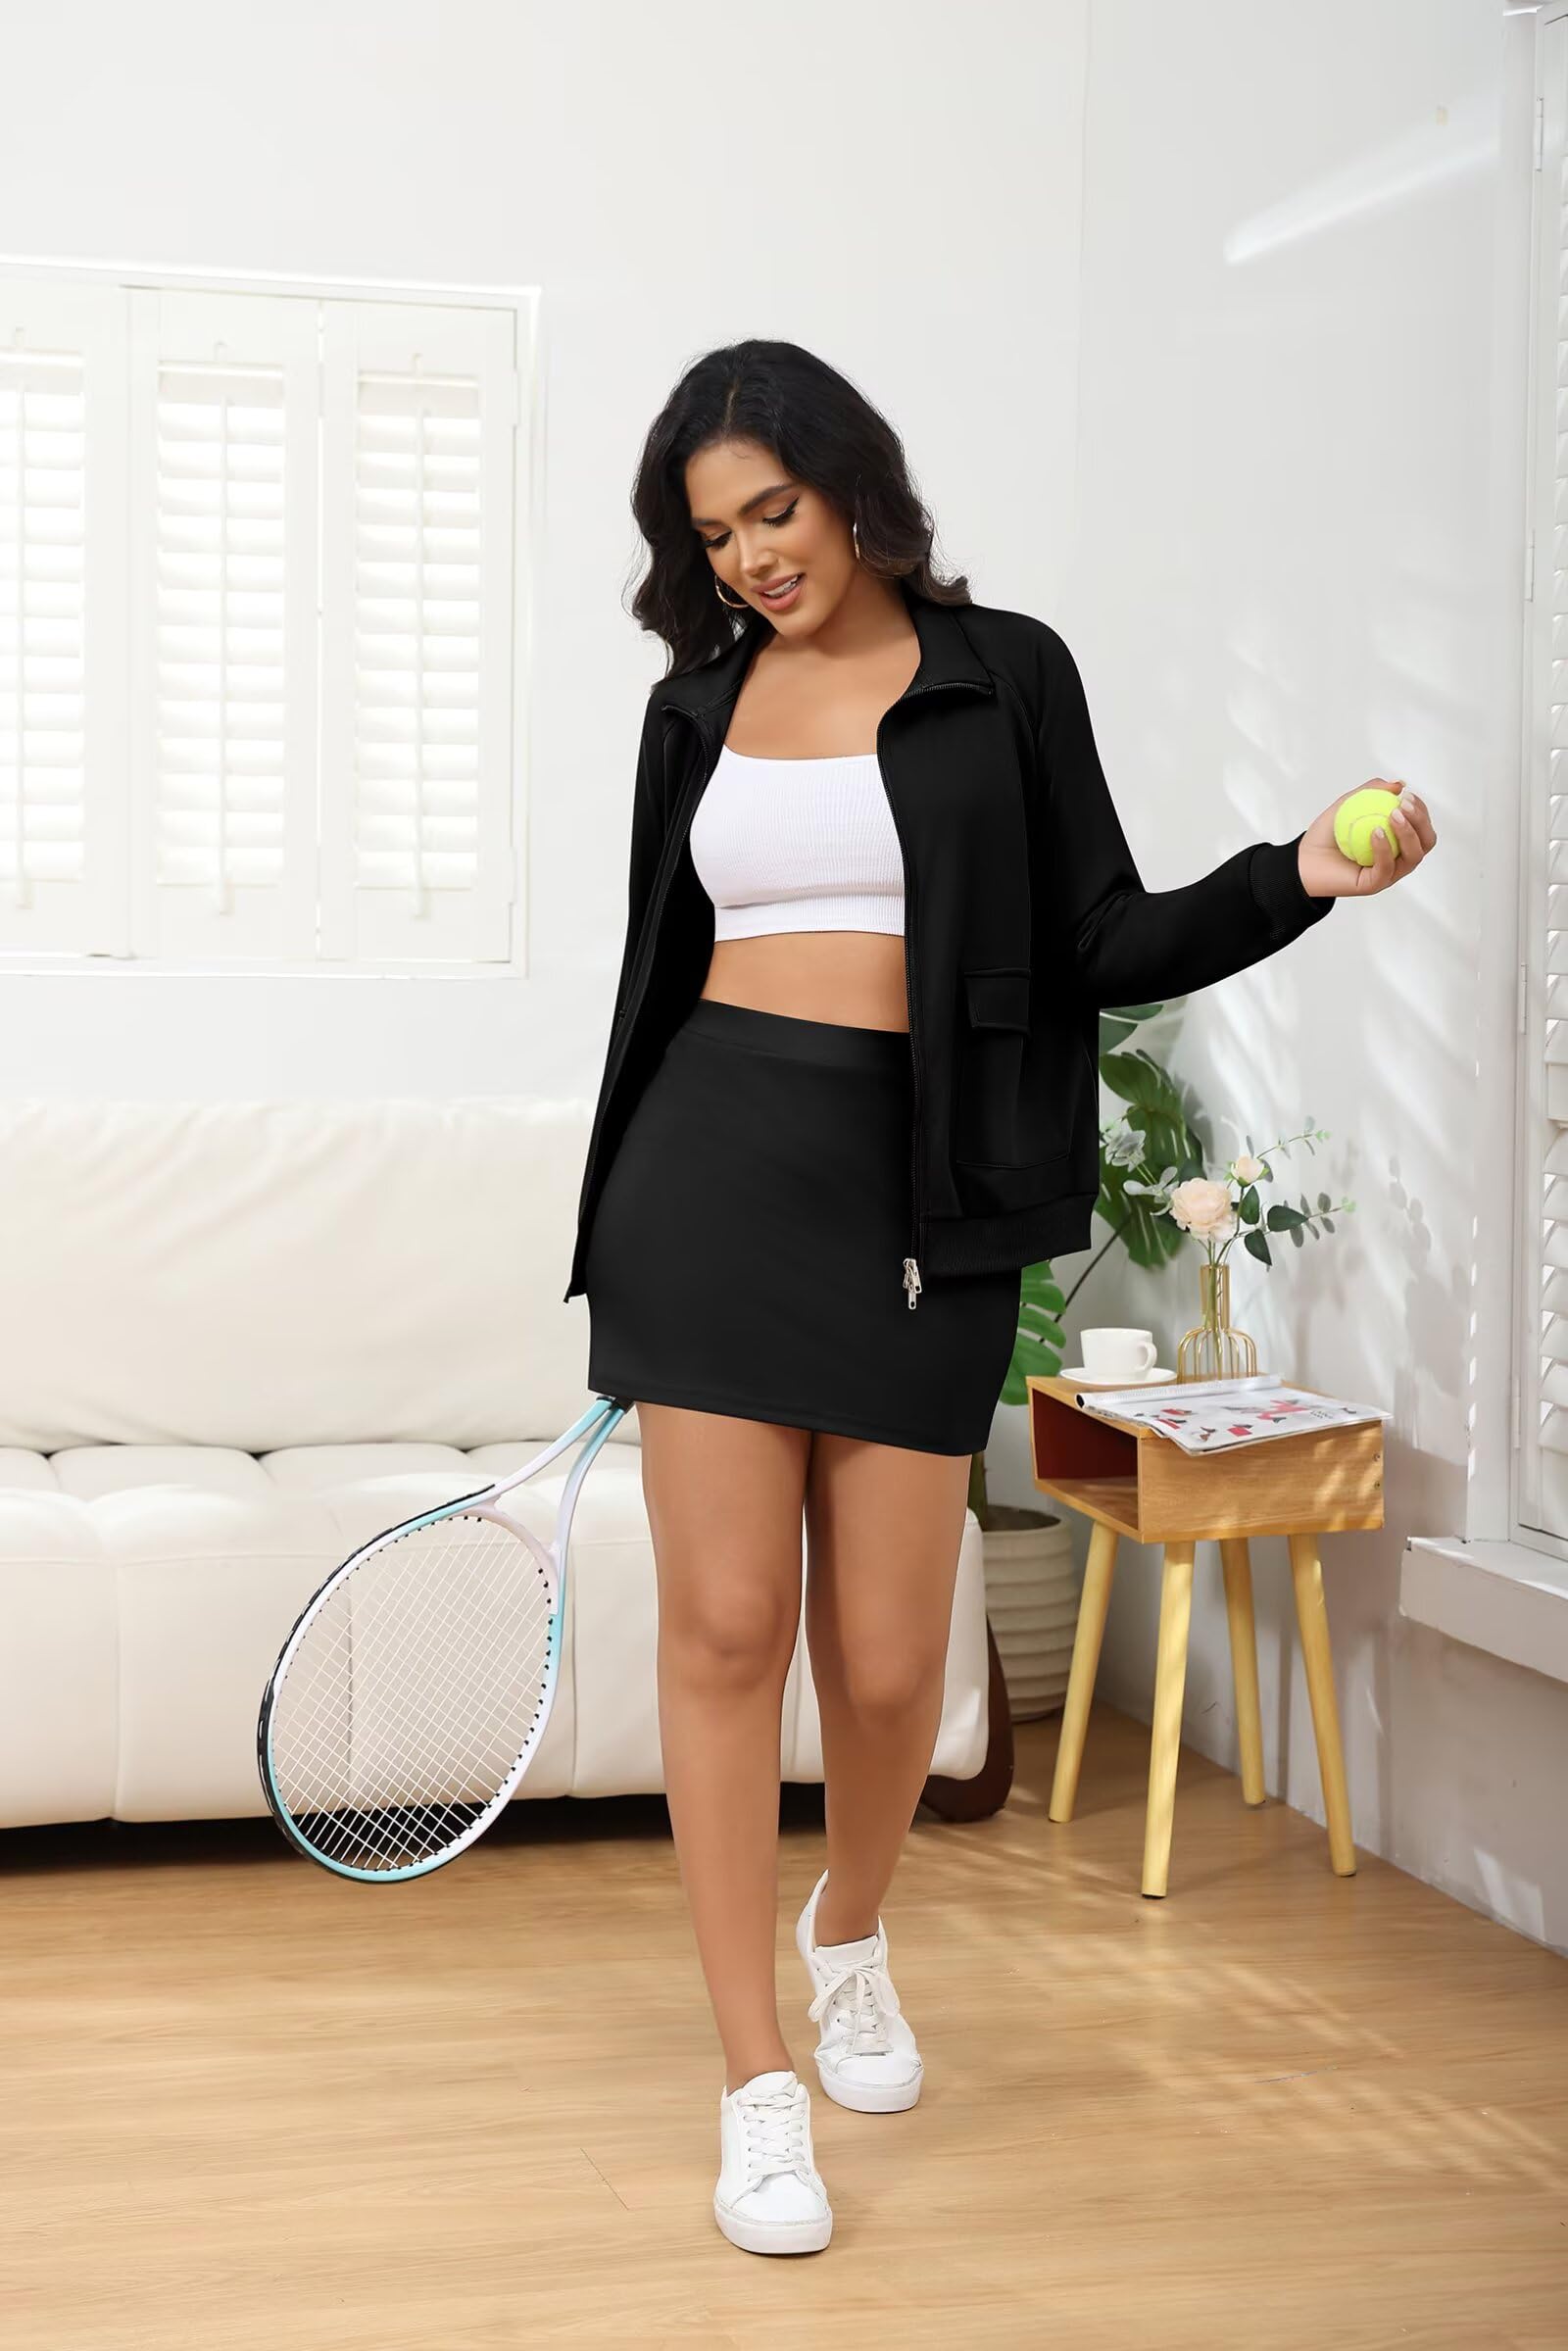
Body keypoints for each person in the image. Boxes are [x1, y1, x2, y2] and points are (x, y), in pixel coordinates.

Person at [565, 339, 1434, 2258]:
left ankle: (850, 1931)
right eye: (714, 536)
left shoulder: (1003, 675)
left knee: (889, 1670)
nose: (750, 558)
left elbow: (1097, 937)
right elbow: (657, 973)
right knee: (724, 1630)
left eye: (772, 511)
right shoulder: (691, 709)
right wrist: (616, 1208)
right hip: (706, 1178)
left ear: (849, 486)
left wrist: (1292, 873)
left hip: (919, 1196)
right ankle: (753, 2084)